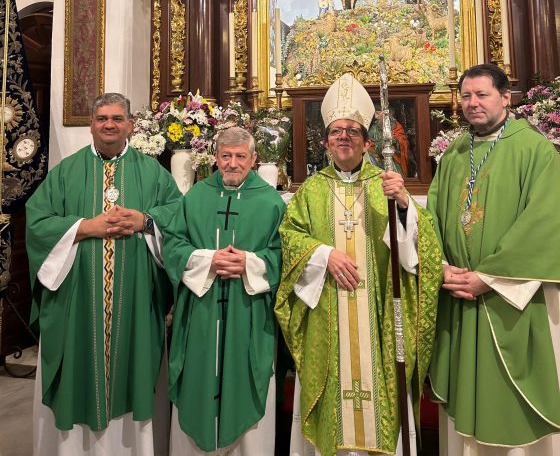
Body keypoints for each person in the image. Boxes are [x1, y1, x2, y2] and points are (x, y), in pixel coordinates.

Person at [275, 73, 441, 456]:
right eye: (336, 131)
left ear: (368, 142)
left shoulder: (386, 184)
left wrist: (402, 206)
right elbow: (290, 237)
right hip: (327, 317)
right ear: (326, 141)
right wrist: (323, 254)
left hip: (378, 317)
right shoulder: (310, 191)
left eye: (352, 131)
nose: (344, 137)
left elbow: (424, 247)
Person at [26, 92, 181, 456]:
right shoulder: (66, 171)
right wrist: (84, 226)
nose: (109, 124)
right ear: (91, 125)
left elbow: (180, 217)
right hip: (77, 303)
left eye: (117, 118)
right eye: (101, 118)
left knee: (134, 368)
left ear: (130, 125)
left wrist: (146, 220)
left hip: (134, 300)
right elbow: (38, 223)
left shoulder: (152, 172)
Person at [427, 63, 560, 455]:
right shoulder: (455, 151)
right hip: (458, 294)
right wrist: (443, 268)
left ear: (506, 98)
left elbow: (545, 221)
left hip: (508, 297)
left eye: (482, 95)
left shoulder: (534, 149)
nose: (472, 104)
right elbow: (431, 213)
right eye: (466, 96)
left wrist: (490, 276)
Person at [163, 126, 286, 455]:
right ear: (215, 158)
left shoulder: (272, 202)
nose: (232, 164)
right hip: (201, 315)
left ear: (254, 159)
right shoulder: (195, 197)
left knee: (246, 381)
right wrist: (206, 260)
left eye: (240, 157)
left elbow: (285, 256)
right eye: (226, 156)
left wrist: (250, 263)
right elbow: (173, 247)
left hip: (248, 314)